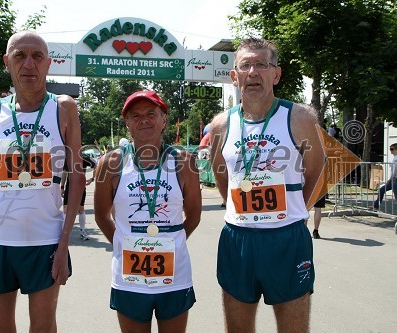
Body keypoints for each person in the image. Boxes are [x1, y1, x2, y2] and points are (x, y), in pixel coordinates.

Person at [0, 31, 85, 332]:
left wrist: (64, 244)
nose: (29, 64)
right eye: (20, 56)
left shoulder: (64, 107)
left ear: (48, 64)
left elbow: (77, 178)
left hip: (44, 242)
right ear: (7, 62)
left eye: (37, 56)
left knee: (43, 327)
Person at [210, 38, 325, 332]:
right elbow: (220, 172)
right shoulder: (222, 124)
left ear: (276, 74)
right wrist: (238, 206)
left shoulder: (299, 117)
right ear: (234, 76)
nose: (252, 72)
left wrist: (297, 207)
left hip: (287, 239)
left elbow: (317, 170)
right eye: (245, 65)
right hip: (238, 239)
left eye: (261, 64)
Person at [94, 91, 201, 333]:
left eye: (151, 114)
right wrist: (125, 244)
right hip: (129, 277)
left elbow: (193, 215)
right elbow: (101, 215)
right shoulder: (110, 163)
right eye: (136, 115)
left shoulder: (184, 162)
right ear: (128, 124)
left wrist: (171, 244)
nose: (144, 120)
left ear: (164, 119)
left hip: (174, 275)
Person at [62, 153, 97, 240]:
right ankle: (63, 233)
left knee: (80, 209)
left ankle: (82, 231)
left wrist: (92, 179)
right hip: (69, 186)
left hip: (80, 186)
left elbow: (96, 166)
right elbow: (65, 172)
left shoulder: (84, 157)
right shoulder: (67, 156)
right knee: (65, 209)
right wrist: (62, 186)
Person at [373, 143, 397, 211]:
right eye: (390, 149)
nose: (391, 151)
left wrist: (392, 177)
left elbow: (396, 170)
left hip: (395, 179)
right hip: (393, 179)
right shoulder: (394, 157)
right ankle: (376, 206)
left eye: (392, 149)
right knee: (381, 190)